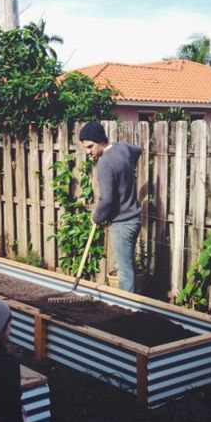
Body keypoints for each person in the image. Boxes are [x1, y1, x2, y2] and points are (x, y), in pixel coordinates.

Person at [79, 121, 142, 293]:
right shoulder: (122, 148)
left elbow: (106, 200)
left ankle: (127, 309)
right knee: (126, 264)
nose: (88, 152)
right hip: (135, 220)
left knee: (124, 271)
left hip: (122, 224)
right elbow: (139, 150)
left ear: (100, 141)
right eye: (85, 148)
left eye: (90, 146)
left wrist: (96, 217)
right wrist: (125, 171)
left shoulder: (104, 163)